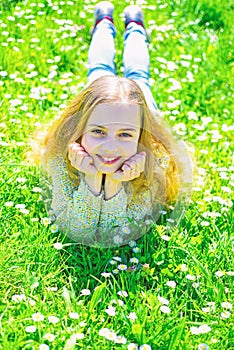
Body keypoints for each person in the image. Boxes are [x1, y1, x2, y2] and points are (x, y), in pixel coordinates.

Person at [39, 2, 192, 247]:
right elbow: (78, 231)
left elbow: (115, 232)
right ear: (80, 130)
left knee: (139, 75)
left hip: (138, 108)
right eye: (98, 132)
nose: (110, 147)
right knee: (99, 69)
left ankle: (135, 26)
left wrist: (113, 183)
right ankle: (104, 22)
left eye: (124, 135)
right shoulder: (62, 157)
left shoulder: (152, 161)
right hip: (107, 102)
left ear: (140, 136)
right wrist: (90, 178)